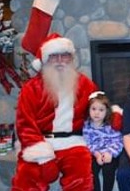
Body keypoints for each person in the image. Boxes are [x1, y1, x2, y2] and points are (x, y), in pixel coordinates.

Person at [12, 33, 98, 191]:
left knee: (81, 179)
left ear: (71, 59)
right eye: (53, 56)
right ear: (45, 60)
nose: (59, 61)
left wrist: (115, 117)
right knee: (26, 179)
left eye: (64, 56)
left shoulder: (84, 83)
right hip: (41, 142)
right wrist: (44, 157)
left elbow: (99, 108)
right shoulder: (31, 88)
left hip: (74, 143)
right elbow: (25, 126)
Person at [83, 91, 123, 191]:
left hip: (110, 153)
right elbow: (87, 142)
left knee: (108, 169)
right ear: (89, 110)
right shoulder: (86, 126)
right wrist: (96, 154)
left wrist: (109, 153)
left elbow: (118, 141)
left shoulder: (110, 125)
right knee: (90, 169)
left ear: (106, 112)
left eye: (101, 110)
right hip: (94, 153)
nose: (97, 113)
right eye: (93, 109)